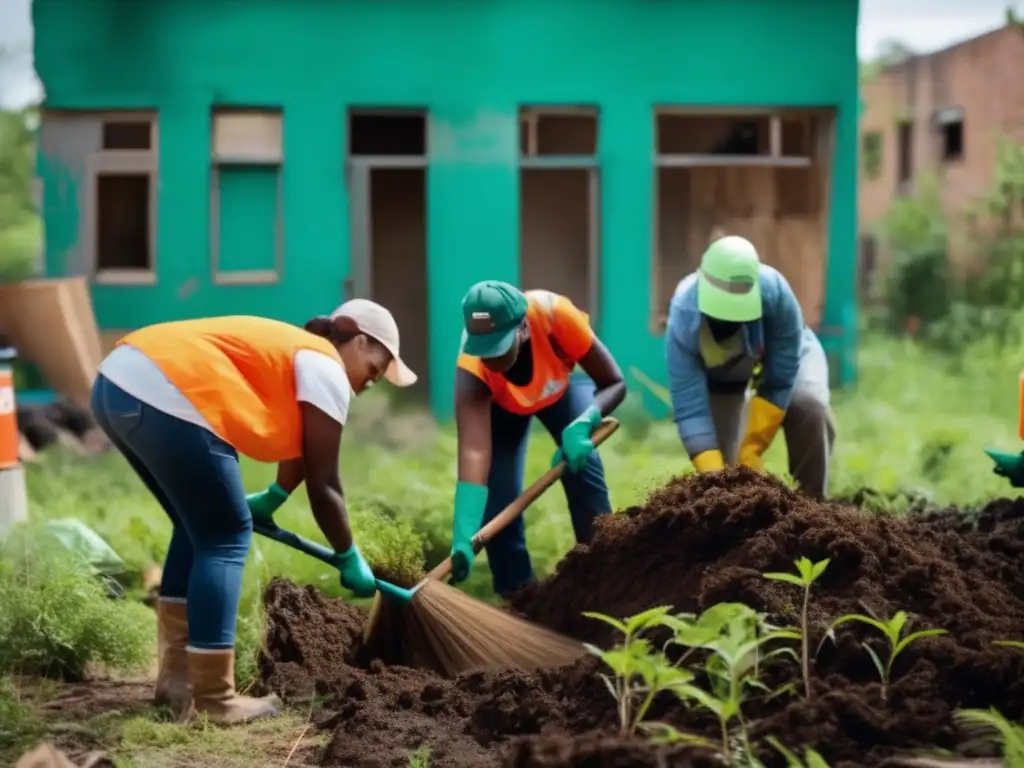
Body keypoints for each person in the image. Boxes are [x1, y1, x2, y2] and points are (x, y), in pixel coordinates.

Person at [89, 301, 415, 725]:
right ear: (359, 340)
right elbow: (325, 484)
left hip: (117, 382)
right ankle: (215, 698)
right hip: (165, 392)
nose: (370, 383)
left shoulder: (300, 356)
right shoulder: (326, 364)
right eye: (375, 368)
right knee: (224, 536)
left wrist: (276, 496)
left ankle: (177, 684)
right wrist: (348, 553)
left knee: (195, 529)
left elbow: (303, 447)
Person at [450, 280, 626, 598]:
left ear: (523, 329)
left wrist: (585, 422)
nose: (490, 359)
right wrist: (463, 532)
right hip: (504, 409)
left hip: (560, 392)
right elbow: (474, 450)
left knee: (584, 471)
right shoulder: (471, 366)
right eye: (484, 349)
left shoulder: (555, 314)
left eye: (498, 347)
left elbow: (613, 382)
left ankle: (607, 578)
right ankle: (521, 601)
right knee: (497, 508)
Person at [665, 235, 835, 498]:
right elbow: (690, 408)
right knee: (726, 475)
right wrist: (714, 476)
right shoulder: (684, 316)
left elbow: (781, 377)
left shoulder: (775, 292)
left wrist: (753, 446)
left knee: (808, 406)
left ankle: (813, 507)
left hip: (784, 357)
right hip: (719, 373)